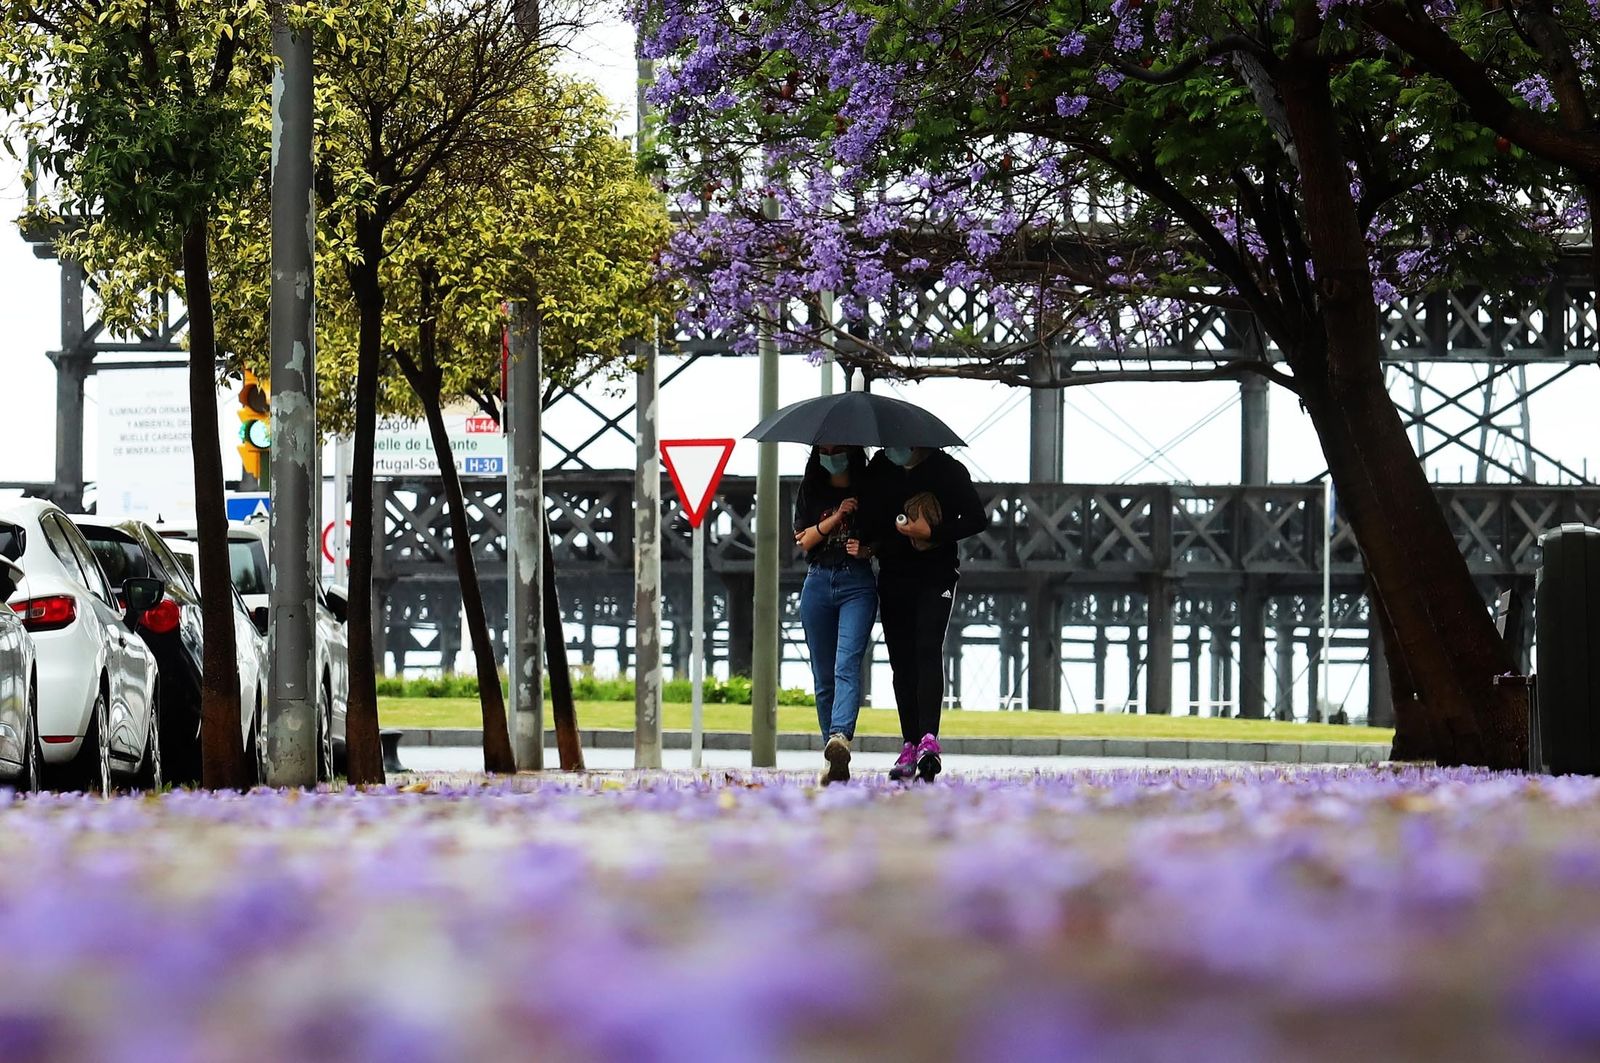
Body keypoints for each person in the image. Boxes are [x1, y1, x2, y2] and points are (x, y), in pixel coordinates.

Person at [866, 444, 986, 782]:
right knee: (901, 660)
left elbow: (977, 518)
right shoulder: (880, 467)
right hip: (893, 575)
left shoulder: (948, 470)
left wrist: (932, 533)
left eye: (898, 445)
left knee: (927, 649)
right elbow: (873, 517)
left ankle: (928, 741)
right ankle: (909, 743)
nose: (892, 450)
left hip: (937, 575)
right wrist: (873, 543)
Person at [793, 443, 877, 785]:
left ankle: (840, 736)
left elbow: (885, 536)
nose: (831, 454)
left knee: (846, 664)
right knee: (822, 673)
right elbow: (805, 539)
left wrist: (868, 549)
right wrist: (837, 517)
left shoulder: (870, 487)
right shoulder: (811, 487)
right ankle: (833, 757)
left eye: (837, 449)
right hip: (817, 582)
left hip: (856, 582)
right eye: (825, 449)